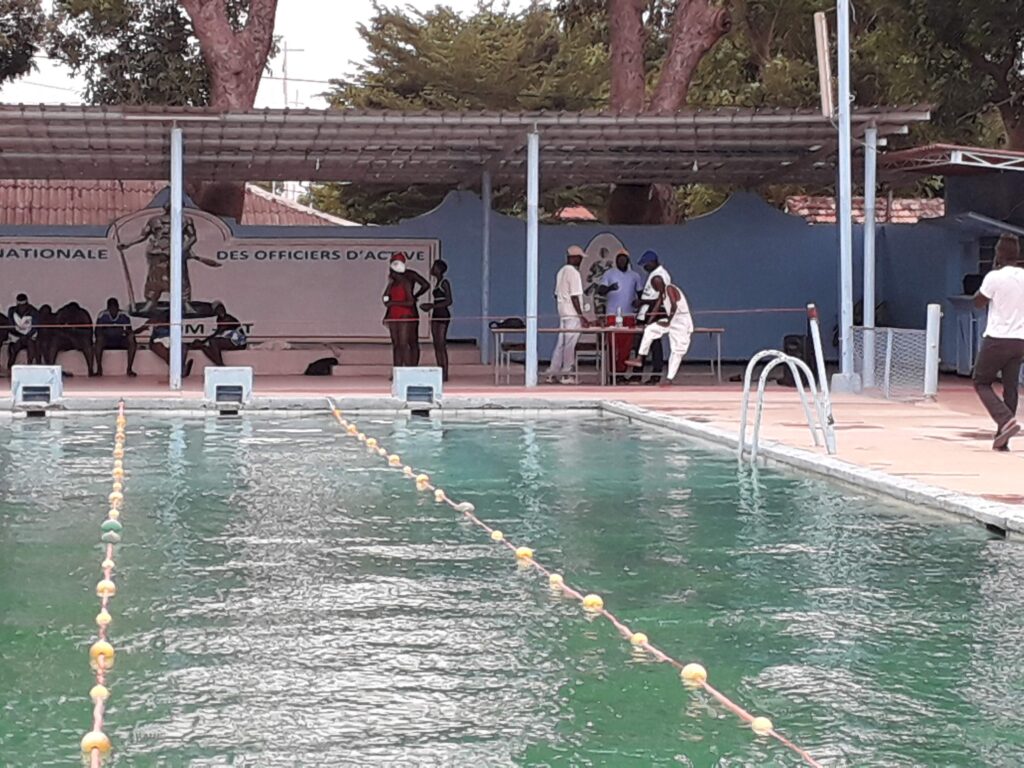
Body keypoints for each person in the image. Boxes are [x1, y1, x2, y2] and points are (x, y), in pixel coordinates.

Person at [117, 202, 222, 313]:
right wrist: (127, 244)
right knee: (154, 280)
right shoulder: (154, 220)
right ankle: (151, 302)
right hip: (158, 254)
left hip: (175, 257)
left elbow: (192, 237)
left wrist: (182, 249)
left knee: (181, 280)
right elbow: (143, 235)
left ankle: (185, 304)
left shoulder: (185, 220)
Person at [973, 233, 1024, 450]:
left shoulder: (994, 277)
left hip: (997, 339)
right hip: (1020, 340)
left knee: (981, 381)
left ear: (998, 254)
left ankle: (1005, 419)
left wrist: (993, 272)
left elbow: (978, 301)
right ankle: (1003, 440)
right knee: (1010, 387)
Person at [624, 274, 693, 388]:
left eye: (654, 286)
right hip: (671, 320)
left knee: (677, 351)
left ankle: (669, 378)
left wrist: (668, 321)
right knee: (650, 330)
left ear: (658, 284)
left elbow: (674, 305)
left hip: (681, 322)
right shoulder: (662, 293)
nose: (654, 288)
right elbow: (656, 309)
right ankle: (640, 357)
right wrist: (648, 322)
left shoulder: (669, 288)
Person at [545, 245, 591, 384]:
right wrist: (581, 316)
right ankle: (566, 374)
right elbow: (575, 296)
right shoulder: (574, 273)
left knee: (561, 344)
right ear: (574, 258)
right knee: (570, 345)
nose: (581, 261)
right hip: (572, 314)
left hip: (563, 312)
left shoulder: (561, 272)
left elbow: (556, 294)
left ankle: (552, 373)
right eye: (580, 258)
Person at [596, 249, 644, 375]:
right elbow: (600, 290)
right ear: (616, 260)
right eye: (619, 259)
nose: (621, 261)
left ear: (628, 261)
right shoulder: (609, 274)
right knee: (613, 345)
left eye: (624, 259)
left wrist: (638, 302)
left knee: (626, 346)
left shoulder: (635, 276)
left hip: (629, 315)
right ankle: (612, 372)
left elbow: (641, 295)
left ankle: (621, 373)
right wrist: (610, 288)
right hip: (612, 314)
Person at [383, 253, 429, 368]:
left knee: (406, 343)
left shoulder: (407, 279)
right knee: (397, 344)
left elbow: (411, 300)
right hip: (394, 314)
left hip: (406, 313)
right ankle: (397, 369)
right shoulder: (392, 283)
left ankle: (409, 369)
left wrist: (415, 296)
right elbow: (386, 297)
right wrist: (388, 308)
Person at [634, 250, 672, 384]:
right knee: (640, 344)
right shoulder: (654, 274)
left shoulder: (659, 276)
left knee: (655, 345)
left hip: (653, 313)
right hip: (646, 311)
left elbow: (660, 299)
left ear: (652, 262)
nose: (644, 267)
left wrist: (650, 317)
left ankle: (655, 375)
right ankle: (637, 374)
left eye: (646, 264)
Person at [420, 259, 453, 382]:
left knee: (441, 344)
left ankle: (445, 372)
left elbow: (449, 301)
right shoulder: (437, 282)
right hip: (436, 313)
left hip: (442, 314)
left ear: (439, 269)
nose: (432, 269)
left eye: (434, 267)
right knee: (436, 344)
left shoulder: (444, 282)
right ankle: (440, 369)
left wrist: (432, 306)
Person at [138, 308, 193, 379]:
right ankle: (181, 370)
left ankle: (180, 370)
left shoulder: (176, 323)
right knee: (162, 349)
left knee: (184, 347)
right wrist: (144, 327)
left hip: (170, 341)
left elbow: (177, 336)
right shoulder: (155, 320)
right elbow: (140, 329)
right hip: (156, 341)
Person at [191, 301, 246, 367]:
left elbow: (218, 332)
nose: (220, 310)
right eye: (218, 309)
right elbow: (218, 333)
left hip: (239, 342)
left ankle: (220, 364)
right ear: (215, 312)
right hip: (231, 340)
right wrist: (202, 343)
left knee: (213, 342)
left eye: (221, 308)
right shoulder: (219, 319)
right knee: (207, 346)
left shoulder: (228, 318)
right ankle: (218, 363)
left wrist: (203, 341)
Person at [95, 298, 138, 377]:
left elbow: (129, 330)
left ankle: (129, 369)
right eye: (111, 307)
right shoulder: (102, 315)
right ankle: (99, 369)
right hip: (107, 340)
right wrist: (108, 332)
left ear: (118, 307)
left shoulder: (124, 314)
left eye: (115, 307)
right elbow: (97, 332)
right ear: (108, 308)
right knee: (99, 340)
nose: (113, 309)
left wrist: (120, 331)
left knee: (131, 338)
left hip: (120, 340)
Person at [7, 293, 40, 368]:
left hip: (30, 337)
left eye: (24, 306)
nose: (22, 308)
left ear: (27, 304)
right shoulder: (12, 311)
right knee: (12, 349)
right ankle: (10, 367)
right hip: (16, 337)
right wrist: (18, 336)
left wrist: (26, 336)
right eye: (20, 306)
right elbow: (11, 326)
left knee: (31, 346)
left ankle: (30, 366)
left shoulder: (33, 311)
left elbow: (35, 327)